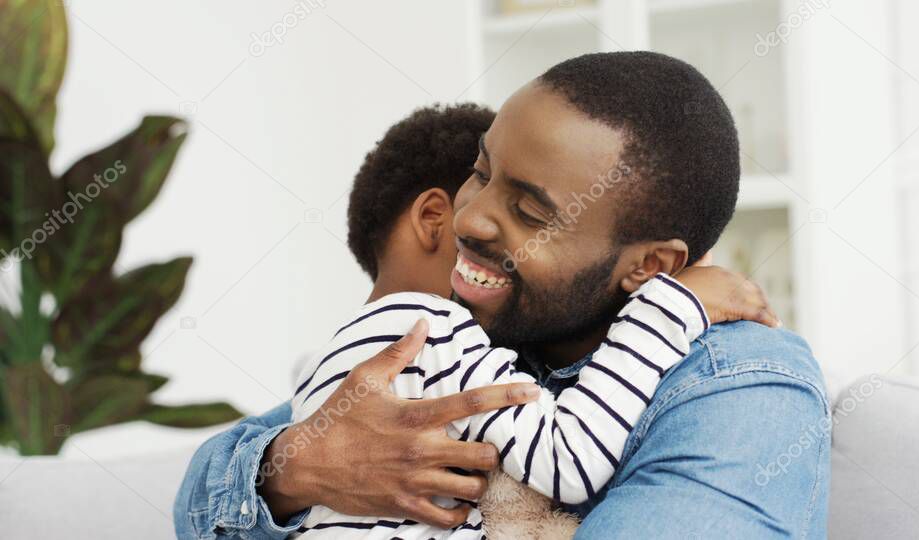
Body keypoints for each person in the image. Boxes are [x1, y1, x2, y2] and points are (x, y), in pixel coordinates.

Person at [176, 52, 829, 539]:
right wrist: (297, 472)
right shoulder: (459, 333)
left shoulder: (738, 383)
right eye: (481, 173)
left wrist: (668, 315)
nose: (470, 220)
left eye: (530, 211)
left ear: (650, 266)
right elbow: (201, 496)